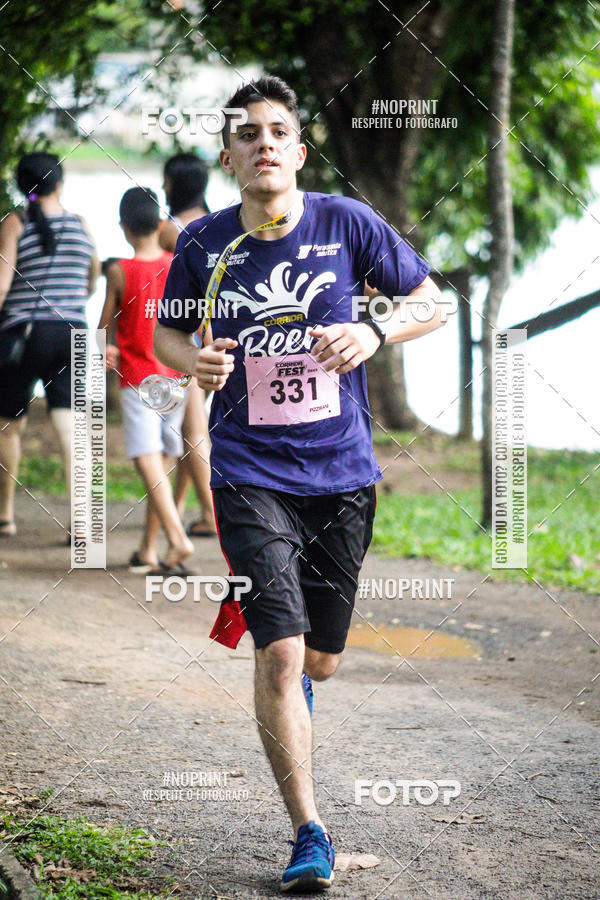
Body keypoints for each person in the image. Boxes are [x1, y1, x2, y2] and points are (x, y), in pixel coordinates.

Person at [154, 76, 445, 892]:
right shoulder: (204, 245)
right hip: (248, 473)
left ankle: (298, 689)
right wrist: (196, 361)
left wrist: (374, 326)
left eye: (279, 131)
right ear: (229, 156)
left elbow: (436, 301)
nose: (265, 143)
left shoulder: (346, 224)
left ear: (299, 150)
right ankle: (308, 832)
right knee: (279, 654)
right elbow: (168, 336)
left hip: (343, 474)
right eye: (249, 134)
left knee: (319, 663)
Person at [0, 152, 100, 540]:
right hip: (73, 332)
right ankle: (81, 525)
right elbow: (91, 282)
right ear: (59, 182)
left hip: (24, 335)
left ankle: (5, 516)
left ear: (23, 187)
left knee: (9, 426)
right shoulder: (81, 224)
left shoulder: (16, 222)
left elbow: (3, 287)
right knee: (72, 429)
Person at [99, 187, 193, 573]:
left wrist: (107, 346)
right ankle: (149, 549)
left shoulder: (120, 270)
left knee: (145, 456)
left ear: (123, 227)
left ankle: (177, 538)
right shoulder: (176, 264)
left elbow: (105, 323)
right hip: (176, 376)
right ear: (159, 224)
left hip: (139, 379)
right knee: (164, 458)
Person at [159, 153, 217, 537]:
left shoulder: (171, 230)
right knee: (190, 429)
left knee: (194, 431)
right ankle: (180, 508)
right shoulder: (216, 225)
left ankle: (213, 515)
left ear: (173, 184)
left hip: (189, 337)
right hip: (218, 332)